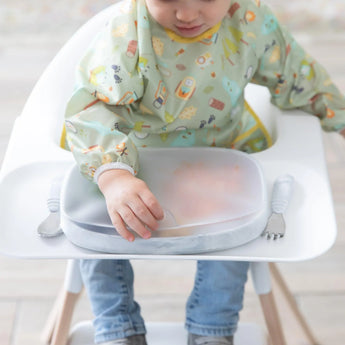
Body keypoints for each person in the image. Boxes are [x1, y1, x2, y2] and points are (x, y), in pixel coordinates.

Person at [64, 0, 345, 344]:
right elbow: (93, 106)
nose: (186, 14)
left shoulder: (249, 21)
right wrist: (114, 176)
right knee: (92, 226)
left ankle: (212, 326)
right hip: (132, 163)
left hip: (218, 160)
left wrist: (338, 115)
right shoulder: (126, 33)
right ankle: (115, 324)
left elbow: (298, 75)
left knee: (238, 221)